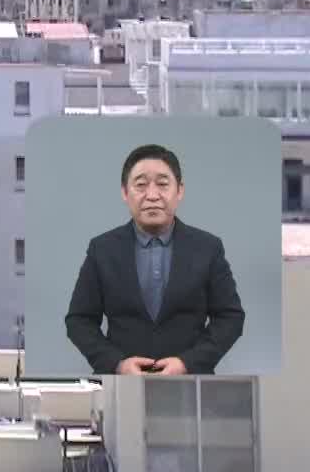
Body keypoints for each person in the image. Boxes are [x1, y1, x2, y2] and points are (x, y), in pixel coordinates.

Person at [64, 143, 246, 376]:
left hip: (190, 385)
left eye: (162, 184)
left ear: (179, 191)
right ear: (124, 192)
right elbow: (79, 321)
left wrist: (187, 363)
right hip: (122, 386)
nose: (152, 195)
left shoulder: (208, 248)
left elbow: (231, 318)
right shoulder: (102, 249)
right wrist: (117, 364)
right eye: (140, 185)